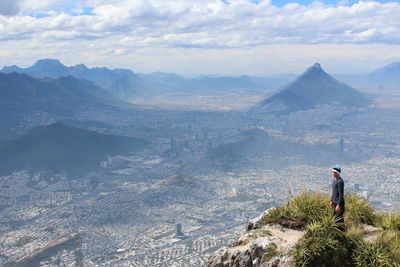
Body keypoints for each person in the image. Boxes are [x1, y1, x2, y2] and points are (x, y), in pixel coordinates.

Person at [330, 166, 345, 231]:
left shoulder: (340, 181)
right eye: (332, 172)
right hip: (334, 202)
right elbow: (334, 192)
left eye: (334, 173)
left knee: (339, 219)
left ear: (337, 173)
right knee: (335, 218)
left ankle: (343, 232)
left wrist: (339, 205)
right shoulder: (334, 181)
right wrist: (331, 201)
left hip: (339, 204)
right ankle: (337, 231)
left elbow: (341, 194)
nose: (333, 174)